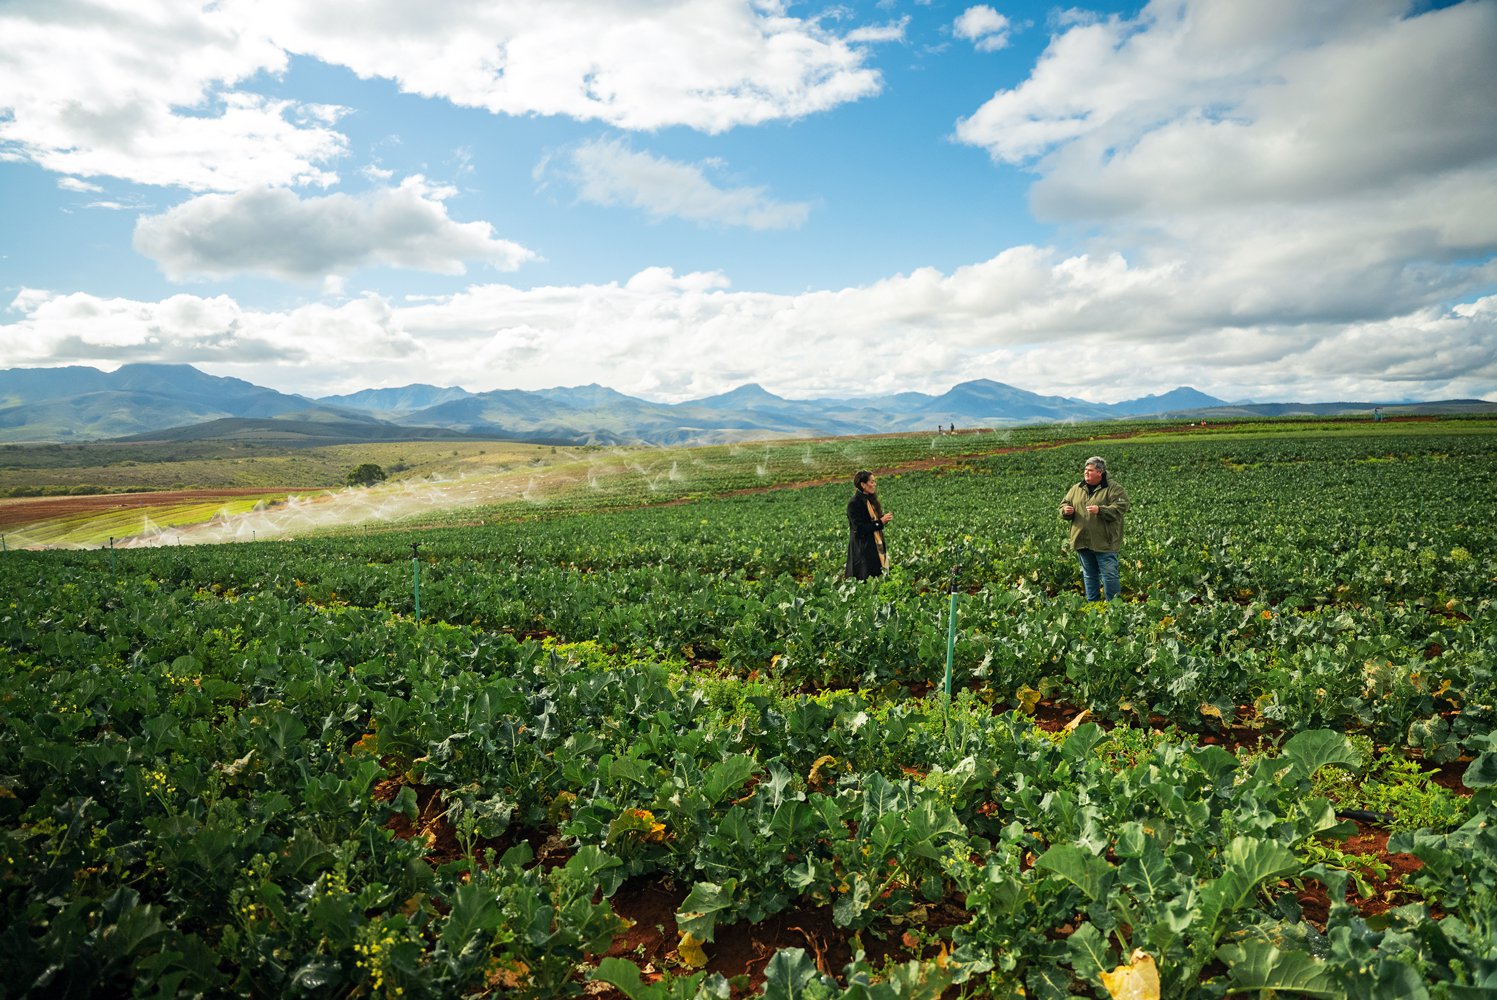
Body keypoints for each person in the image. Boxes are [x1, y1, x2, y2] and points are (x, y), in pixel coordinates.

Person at [1059, 455, 1129, 600]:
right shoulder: (1076, 488)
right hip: (1082, 540)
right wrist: (1065, 510)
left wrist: (1101, 510)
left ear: (1100, 473)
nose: (1086, 473)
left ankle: (1114, 607)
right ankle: (1093, 604)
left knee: (1109, 575)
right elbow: (1064, 503)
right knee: (1089, 574)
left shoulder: (1114, 489)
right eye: (1085, 470)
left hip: (1104, 541)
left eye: (1090, 470)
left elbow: (1120, 508)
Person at [845, 469, 892, 580]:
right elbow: (859, 529)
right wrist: (880, 522)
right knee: (866, 580)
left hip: (873, 546)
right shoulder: (854, 503)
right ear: (863, 485)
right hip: (863, 549)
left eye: (874, 481)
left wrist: (881, 520)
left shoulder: (870, 500)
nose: (874, 484)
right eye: (872, 482)